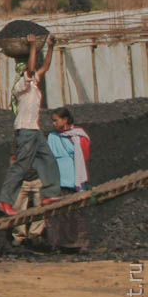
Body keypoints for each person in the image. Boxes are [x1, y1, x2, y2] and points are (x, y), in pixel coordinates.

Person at [0, 34, 61, 216]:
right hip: (25, 130)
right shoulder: (21, 85)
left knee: (48, 158)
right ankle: (5, 201)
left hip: (35, 130)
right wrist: (33, 46)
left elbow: (45, 67)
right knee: (21, 166)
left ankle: (49, 193)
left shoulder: (33, 83)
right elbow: (33, 68)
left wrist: (50, 47)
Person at [45, 107, 91, 251]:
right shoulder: (52, 137)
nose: (53, 123)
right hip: (58, 179)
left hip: (74, 179)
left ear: (65, 120)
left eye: (56, 120)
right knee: (58, 214)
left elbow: (84, 156)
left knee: (76, 213)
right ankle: (58, 244)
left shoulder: (78, 136)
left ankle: (79, 243)